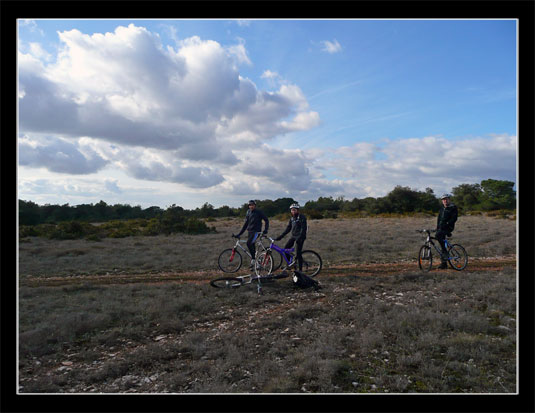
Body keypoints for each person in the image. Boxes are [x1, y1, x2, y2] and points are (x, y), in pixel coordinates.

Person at [233, 200, 269, 269]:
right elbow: (246, 224)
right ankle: (256, 263)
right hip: (250, 231)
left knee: (248, 243)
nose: (251, 206)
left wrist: (265, 230)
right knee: (252, 245)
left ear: (255, 205)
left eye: (252, 205)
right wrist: (239, 234)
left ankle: (253, 260)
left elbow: (266, 220)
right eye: (250, 205)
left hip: (256, 232)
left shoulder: (259, 212)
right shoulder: (248, 212)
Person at [274, 203, 307, 272]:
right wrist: (280, 236)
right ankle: (290, 264)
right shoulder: (292, 219)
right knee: (286, 249)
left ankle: (300, 270)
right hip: (294, 236)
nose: (293, 211)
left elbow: (303, 229)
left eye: (294, 210)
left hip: (301, 237)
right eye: (292, 210)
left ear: (298, 210)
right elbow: (288, 228)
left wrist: (300, 237)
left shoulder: (302, 217)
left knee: (298, 253)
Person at [436, 193, 458, 269]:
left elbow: (454, 218)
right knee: (440, 239)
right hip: (441, 228)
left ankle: (445, 253)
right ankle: (444, 264)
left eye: (446, 199)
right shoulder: (442, 209)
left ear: (449, 200)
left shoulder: (453, 208)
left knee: (438, 236)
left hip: (448, 227)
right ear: (442, 201)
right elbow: (439, 219)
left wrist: (447, 225)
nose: (445, 201)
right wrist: (437, 227)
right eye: (443, 199)